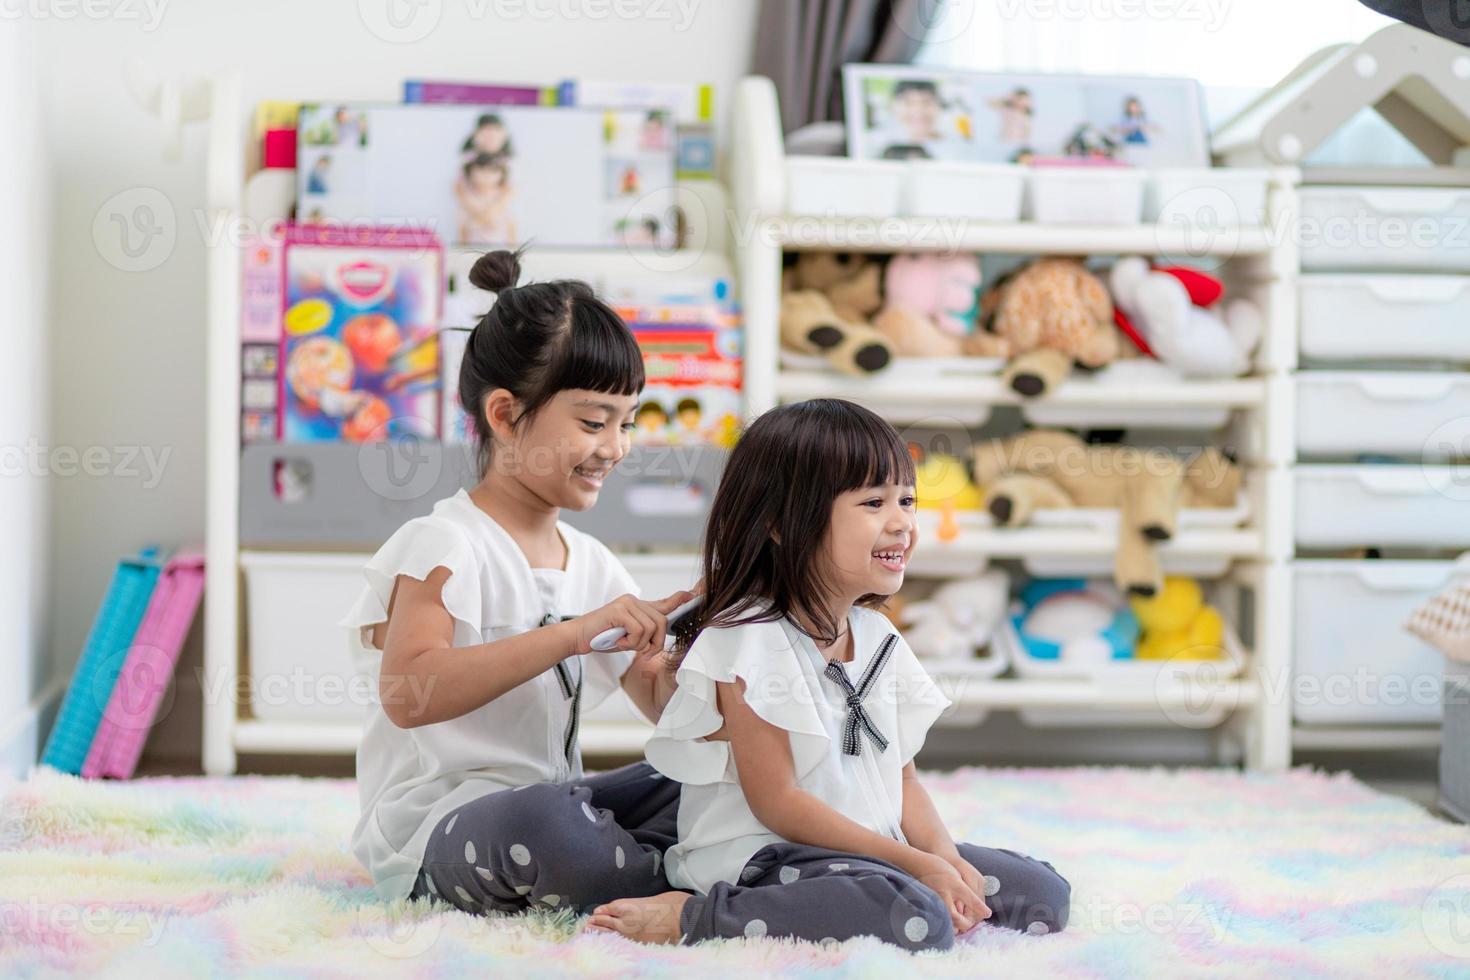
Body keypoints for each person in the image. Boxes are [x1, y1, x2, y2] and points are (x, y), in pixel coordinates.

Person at [588, 399, 1071, 949]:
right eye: (873, 502)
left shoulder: (877, 638)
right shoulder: (751, 641)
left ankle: (902, 879)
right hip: (763, 857)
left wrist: (944, 858)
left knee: (1042, 895)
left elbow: (903, 779)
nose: (902, 523)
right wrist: (911, 864)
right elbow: (779, 803)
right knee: (913, 916)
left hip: (868, 850)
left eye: (906, 501)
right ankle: (697, 917)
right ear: (779, 524)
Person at [344, 248, 695, 914]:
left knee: (696, 786)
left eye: (626, 423)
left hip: (557, 801)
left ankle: (670, 871)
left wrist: (680, 662)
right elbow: (408, 693)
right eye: (594, 422)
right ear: (505, 415)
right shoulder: (444, 545)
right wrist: (572, 635)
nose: (615, 446)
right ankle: (681, 880)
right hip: (442, 829)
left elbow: (659, 704)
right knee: (546, 825)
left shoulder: (591, 560)